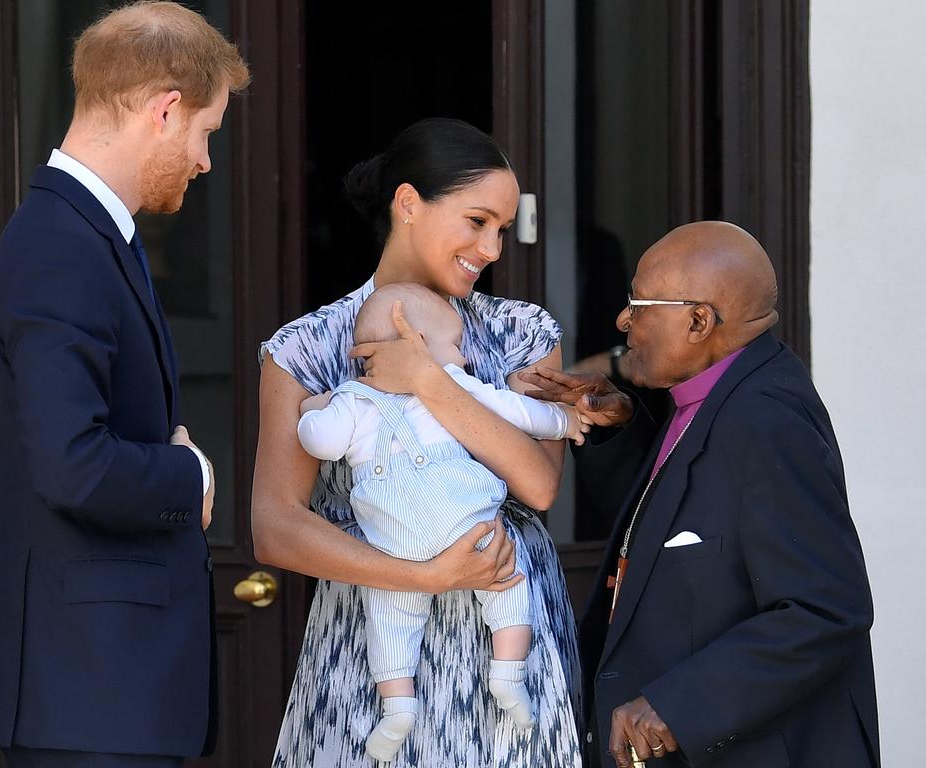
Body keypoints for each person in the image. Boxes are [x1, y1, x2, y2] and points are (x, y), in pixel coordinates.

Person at [253, 117, 585, 767]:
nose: (492, 248)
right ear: (408, 204)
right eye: (477, 221)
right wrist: (424, 576)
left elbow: (540, 487)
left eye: (501, 229)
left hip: (506, 647)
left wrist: (431, 382)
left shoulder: (522, 331)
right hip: (373, 654)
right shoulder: (307, 348)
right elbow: (275, 526)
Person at [0, 4, 250, 766]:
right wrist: (187, 472)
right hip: (88, 707)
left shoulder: (89, 238)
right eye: (206, 135)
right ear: (165, 111)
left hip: (107, 702)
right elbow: (72, 463)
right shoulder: (61, 245)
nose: (203, 161)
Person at [522, 221, 880, 767]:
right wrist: (620, 428)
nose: (622, 320)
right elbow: (685, 529)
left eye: (638, 304)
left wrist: (676, 706)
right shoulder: (709, 394)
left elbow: (826, 608)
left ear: (697, 320)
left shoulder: (767, 418)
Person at [297, 282, 589, 761]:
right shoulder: (458, 386)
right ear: (416, 341)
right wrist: (564, 423)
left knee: (388, 624)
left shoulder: (351, 401)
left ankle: (397, 711)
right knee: (507, 585)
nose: (466, 359)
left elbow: (321, 443)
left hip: (393, 546)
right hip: (466, 524)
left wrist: (312, 412)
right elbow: (520, 413)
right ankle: (508, 674)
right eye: (456, 345)